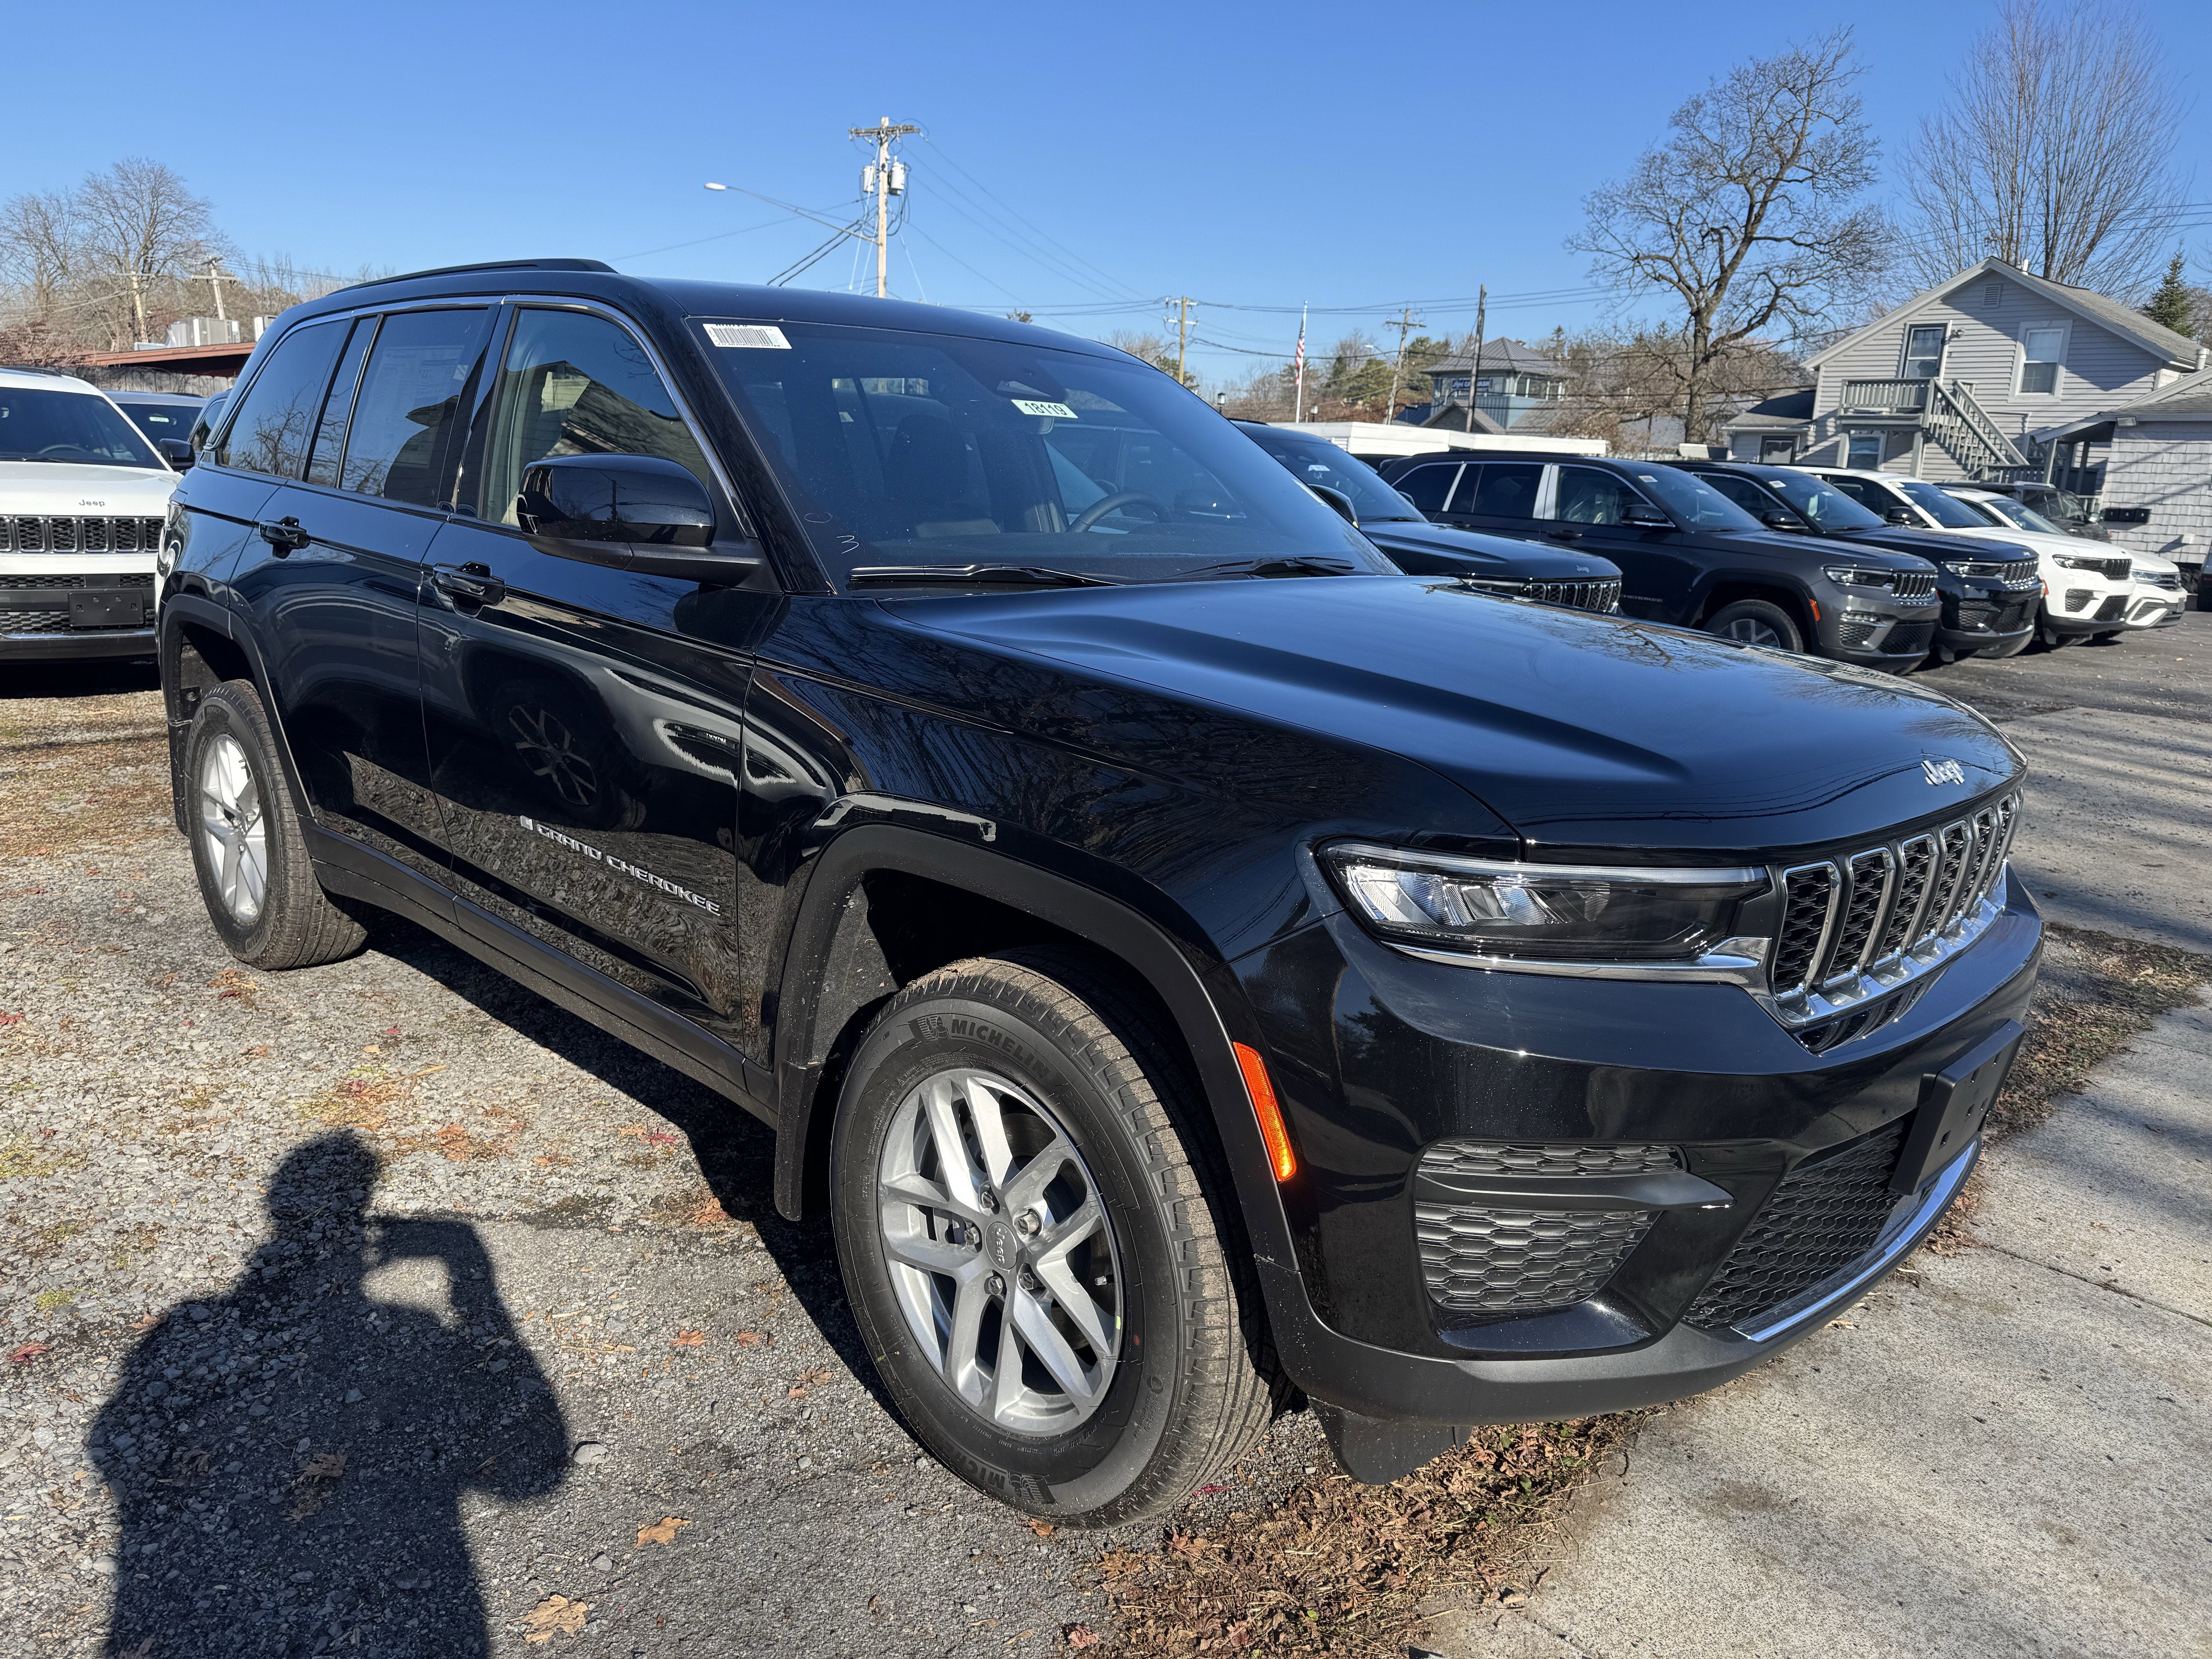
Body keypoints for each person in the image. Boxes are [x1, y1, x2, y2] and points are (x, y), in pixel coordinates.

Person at [92, 1133, 566, 1656]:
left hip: (171, 1604)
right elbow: (532, 1477)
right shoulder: (414, 1324)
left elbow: (112, 1441)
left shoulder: (184, 1326)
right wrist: (474, 1288)